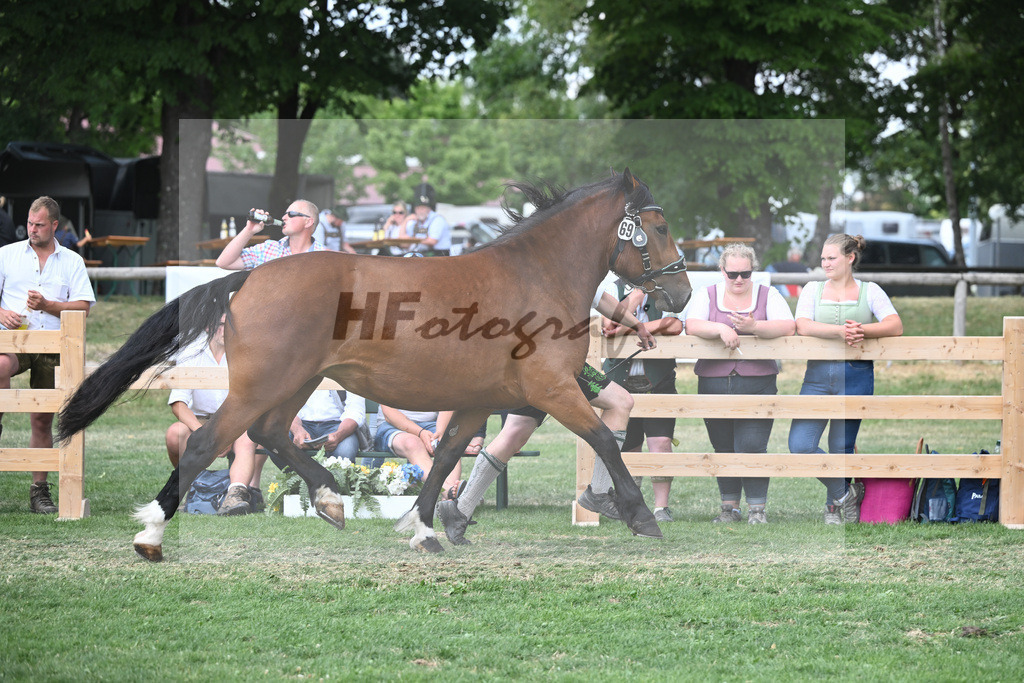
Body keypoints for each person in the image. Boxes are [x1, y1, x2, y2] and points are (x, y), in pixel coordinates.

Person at [435, 288, 657, 545]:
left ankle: (460, 509)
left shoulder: (560, 262)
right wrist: (638, 323)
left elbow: (602, 300)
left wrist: (638, 324)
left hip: (525, 361)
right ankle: (598, 490)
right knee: (620, 402)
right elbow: (601, 302)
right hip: (549, 364)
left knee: (513, 435)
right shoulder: (561, 264)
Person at [787, 234, 903, 525]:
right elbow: (803, 325)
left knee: (841, 446)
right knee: (800, 444)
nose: (825, 263)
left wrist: (862, 329)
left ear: (850, 258)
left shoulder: (870, 290)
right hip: (816, 375)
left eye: (831, 258)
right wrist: (839, 332)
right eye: (823, 258)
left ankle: (835, 510)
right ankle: (846, 494)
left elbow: (895, 325)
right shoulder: (812, 289)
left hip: (857, 373)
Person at [685, 243, 795, 525]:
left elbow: (787, 325)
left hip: (758, 380)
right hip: (713, 380)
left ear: (752, 271)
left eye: (745, 273)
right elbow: (692, 325)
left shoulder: (767, 294)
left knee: (752, 444)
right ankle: (729, 507)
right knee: (722, 445)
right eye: (732, 273)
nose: (738, 280)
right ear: (722, 270)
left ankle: (757, 508)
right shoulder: (707, 294)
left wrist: (755, 328)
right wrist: (721, 328)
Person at [0, 196, 95, 513]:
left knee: (42, 420)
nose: (32, 229)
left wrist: (49, 306)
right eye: (29, 223)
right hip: (15, 337)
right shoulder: (8, 255)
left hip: (56, 343)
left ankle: (39, 491)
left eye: (39, 224)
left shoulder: (71, 261)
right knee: (0, 364)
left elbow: (83, 307)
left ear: (55, 225)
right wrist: (2, 314)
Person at [165, 316, 267, 515]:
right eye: (221, 325)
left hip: (236, 420)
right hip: (201, 419)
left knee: (248, 439)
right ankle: (191, 485)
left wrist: (226, 432)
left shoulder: (245, 352)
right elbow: (178, 403)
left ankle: (235, 495)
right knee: (174, 433)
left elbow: (251, 401)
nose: (225, 330)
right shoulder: (191, 352)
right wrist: (204, 432)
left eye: (230, 325)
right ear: (207, 326)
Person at [601, 278, 684, 522]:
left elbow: (674, 324)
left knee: (661, 444)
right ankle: (631, 504)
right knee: (628, 448)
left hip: (659, 381)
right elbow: (608, 324)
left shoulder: (664, 292)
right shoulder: (611, 289)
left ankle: (661, 508)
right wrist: (634, 298)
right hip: (620, 384)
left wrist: (633, 328)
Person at [373, 406, 464, 500]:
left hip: (430, 424)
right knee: (412, 443)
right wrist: (420, 432)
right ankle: (447, 490)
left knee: (450, 443)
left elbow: (448, 402)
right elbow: (389, 413)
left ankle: (448, 500)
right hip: (392, 424)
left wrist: (440, 432)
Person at [215, 199, 326, 270]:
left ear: (308, 222)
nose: (283, 217)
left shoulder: (325, 257)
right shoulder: (268, 249)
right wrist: (249, 230)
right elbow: (223, 262)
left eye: (291, 214)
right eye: (285, 214)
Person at [290, 388, 366, 463]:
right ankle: (299, 474)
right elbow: (286, 407)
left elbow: (355, 411)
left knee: (345, 450)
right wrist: (297, 429)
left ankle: (336, 475)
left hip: (339, 425)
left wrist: (338, 435)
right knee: (279, 443)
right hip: (301, 424)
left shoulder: (350, 376)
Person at [398, 183, 451, 256]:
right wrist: (406, 220)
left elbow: (432, 241)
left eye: (423, 208)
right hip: (423, 255)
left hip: (439, 256)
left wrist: (411, 239)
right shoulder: (415, 222)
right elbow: (403, 242)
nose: (420, 211)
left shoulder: (437, 220)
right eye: (418, 208)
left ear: (429, 209)